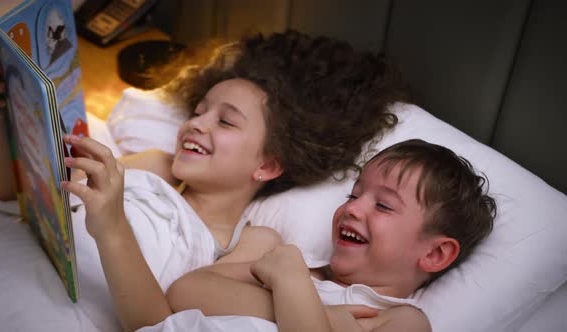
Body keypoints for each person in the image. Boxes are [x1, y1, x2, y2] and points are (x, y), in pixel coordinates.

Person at [0, 30, 411, 330]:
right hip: (3, 254)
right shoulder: (150, 164)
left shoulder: (248, 241)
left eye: (225, 121)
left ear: (267, 165)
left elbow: (155, 322)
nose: (196, 125)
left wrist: (111, 225)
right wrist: (2, 118)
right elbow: (13, 196)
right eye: (199, 111)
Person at [167, 139, 498, 332]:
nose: (352, 209)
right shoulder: (291, 264)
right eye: (353, 196)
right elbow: (184, 291)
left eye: (383, 205)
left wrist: (292, 288)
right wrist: (306, 301)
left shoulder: (398, 320)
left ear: (434, 254)